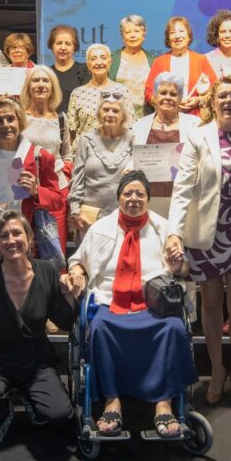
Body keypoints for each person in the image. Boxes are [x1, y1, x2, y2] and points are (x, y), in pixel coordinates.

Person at [64, 171, 197, 437]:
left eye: (140, 194)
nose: (133, 199)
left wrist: (177, 265)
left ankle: (163, 403)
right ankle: (113, 400)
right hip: (109, 300)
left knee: (173, 327)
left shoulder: (164, 229)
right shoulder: (101, 228)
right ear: (118, 197)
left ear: (148, 198)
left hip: (153, 304)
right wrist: (77, 271)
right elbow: (78, 259)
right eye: (128, 193)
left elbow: (184, 269)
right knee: (100, 327)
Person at [165, 77, 231, 408]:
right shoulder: (198, 136)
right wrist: (174, 232)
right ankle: (217, 371)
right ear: (212, 102)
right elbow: (183, 188)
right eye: (222, 95)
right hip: (206, 233)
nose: (228, 100)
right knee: (210, 304)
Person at [0, 211, 77, 446]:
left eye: (17, 233)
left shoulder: (47, 271)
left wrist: (68, 297)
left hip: (36, 361)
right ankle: (3, 416)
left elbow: (64, 322)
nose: (11, 240)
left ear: (29, 237)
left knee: (60, 416)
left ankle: (30, 397)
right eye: (3, 236)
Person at [0, 97, 63, 231]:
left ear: (20, 122)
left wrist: (36, 190)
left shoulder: (40, 156)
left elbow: (58, 201)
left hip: (26, 237)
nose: (5, 125)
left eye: (10, 119)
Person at [131, 71, 200, 218]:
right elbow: (132, 159)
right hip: (148, 200)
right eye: (163, 93)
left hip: (183, 199)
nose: (167, 97)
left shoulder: (195, 125)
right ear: (155, 97)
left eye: (173, 94)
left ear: (180, 98)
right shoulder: (139, 125)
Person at [20, 65, 71, 254]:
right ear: (28, 87)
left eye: (45, 80)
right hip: (25, 190)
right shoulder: (19, 117)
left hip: (55, 191)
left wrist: (63, 174)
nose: (41, 85)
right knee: (28, 248)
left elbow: (67, 153)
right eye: (36, 80)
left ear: (53, 87)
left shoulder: (61, 118)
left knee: (55, 249)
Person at [69, 96, 133, 236]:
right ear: (99, 114)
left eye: (115, 111)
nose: (110, 114)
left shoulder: (133, 139)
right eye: (105, 110)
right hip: (89, 217)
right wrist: (75, 211)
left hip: (124, 214)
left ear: (123, 116)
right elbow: (77, 179)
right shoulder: (86, 140)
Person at [144, 16, 217, 116]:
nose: (177, 36)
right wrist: (166, 102)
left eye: (181, 31)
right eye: (172, 33)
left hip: (195, 118)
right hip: (166, 118)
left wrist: (199, 100)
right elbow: (149, 92)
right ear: (168, 38)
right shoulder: (159, 62)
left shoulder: (201, 60)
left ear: (189, 36)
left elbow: (215, 89)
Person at [65, 43, 130, 150]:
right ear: (88, 64)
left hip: (114, 153)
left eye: (103, 58)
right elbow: (71, 132)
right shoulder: (77, 93)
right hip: (84, 154)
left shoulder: (123, 91)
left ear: (110, 62)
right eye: (94, 59)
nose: (99, 62)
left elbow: (130, 127)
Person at [109, 14, 155, 119]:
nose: (132, 35)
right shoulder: (111, 59)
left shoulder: (154, 61)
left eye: (137, 31)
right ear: (122, 36)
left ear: (144, 35)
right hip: (117, 119)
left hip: (146, 119)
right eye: (128, 32)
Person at [46, 24, 89, 99]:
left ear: (74, 48)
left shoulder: (84, 70)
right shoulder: (46, 73)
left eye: (68, 44)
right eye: (59, 43)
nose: (63, 48)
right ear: (52, 47)